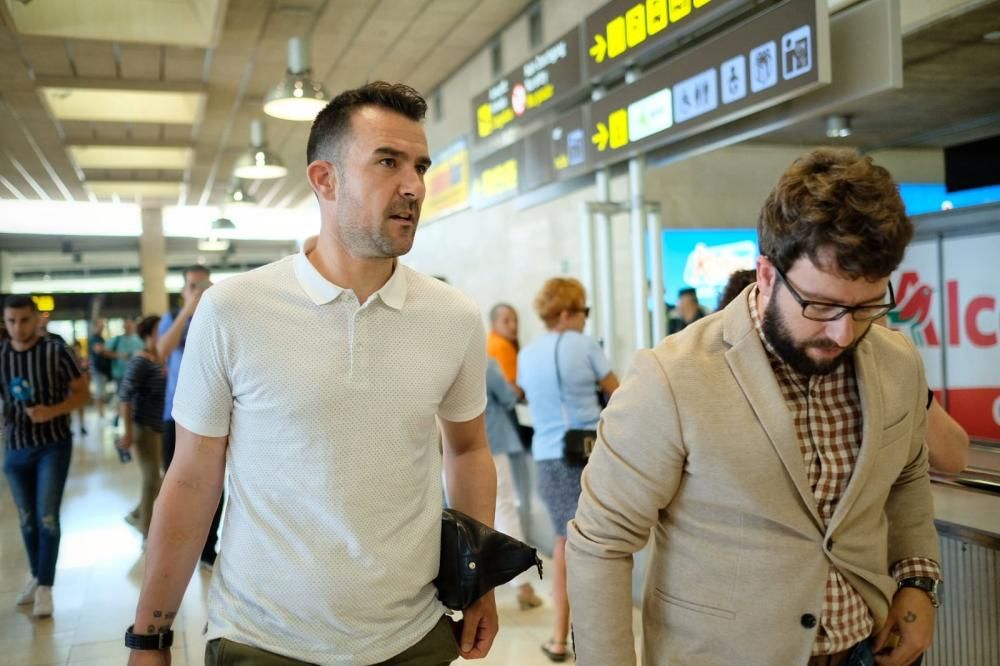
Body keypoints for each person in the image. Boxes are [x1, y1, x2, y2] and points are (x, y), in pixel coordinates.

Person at [127, 82, 497, 666]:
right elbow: (194, 478)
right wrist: (150, 636)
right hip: (263, 641)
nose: (414, 186)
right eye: (388, 162)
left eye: (420, 167)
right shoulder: (234, 309)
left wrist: (481, 583)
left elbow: (470, 450)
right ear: (325, 180)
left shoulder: (453, 317)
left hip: (414, 639)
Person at [568, 148, 943, 666]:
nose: (844, 332)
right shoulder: (672, 376)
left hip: (867, 647)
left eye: (865, 307)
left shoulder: (896, 360)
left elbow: (907, 474)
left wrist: (918, 582)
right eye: (820, 306)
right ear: (767, 276)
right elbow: (601, 543)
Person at [518, 277, 619, 662]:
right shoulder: (585, 344)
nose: (584, 321)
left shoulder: (528, 355)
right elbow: (618, 391)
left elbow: (527, 395)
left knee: (563, 543)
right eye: (584, 312)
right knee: (597, 543)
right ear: (566, 313)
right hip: (592, 452)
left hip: (547, 455)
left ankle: (560, 637)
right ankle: (591, 636)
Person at [1, 295, 90, 618]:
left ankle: (46, 587)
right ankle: (37, 576)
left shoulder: (55, 352)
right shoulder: (2, 356)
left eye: (24, 320)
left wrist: (52, 411)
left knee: (47, 517)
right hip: (15, 449)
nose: (17, 327)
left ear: (36, 319)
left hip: (52, 445)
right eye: (11, 321)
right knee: (26, 519)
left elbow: (84, 394)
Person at [155, 264, 220, 569]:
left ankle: (208, 548)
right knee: (177, 482)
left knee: (214, 483)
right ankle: (176, 547)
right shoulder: (173, 318)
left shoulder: (220, 314)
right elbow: (162, 350)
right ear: (183, 290)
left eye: (202, 285)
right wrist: (186, 312)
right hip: (176, 414)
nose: (198, 291)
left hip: (215, 415)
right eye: (191, 286)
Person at [485, 357, 543, 610]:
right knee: (504, 509)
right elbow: (507, 397)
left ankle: (470, 592)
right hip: (488, 443)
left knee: (459, 515)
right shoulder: (483, 361)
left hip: (447, 446)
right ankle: (522, 586)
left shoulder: (430, 357)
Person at [116, 315, 166, 539]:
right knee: (152, 479)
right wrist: (127, 433)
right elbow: (125, 397)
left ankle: (137, 514)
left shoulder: (162, 359)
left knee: (160, 478)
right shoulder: (141, 361)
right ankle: (146, 530)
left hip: (159, 426)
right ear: (149, 334)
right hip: (143, 427)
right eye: (160, 329)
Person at [486, 302, 534, 519]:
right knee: (509, 498)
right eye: (506, 320)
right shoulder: (500, 347)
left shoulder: (491, 344)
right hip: (498, 432)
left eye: (515, 320)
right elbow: (511, 390)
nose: (513, 325)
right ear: (493, 323)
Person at [88, 318, 114, 418]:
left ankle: (101, 413)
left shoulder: (100, 338)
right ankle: (100, 414)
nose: (102, 326)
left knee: (102, 392)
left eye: (103, 325)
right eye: (100, 324)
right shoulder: (94, 338)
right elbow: (99, 350)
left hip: (102, 369)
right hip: (98, 369)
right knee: (99, 392)